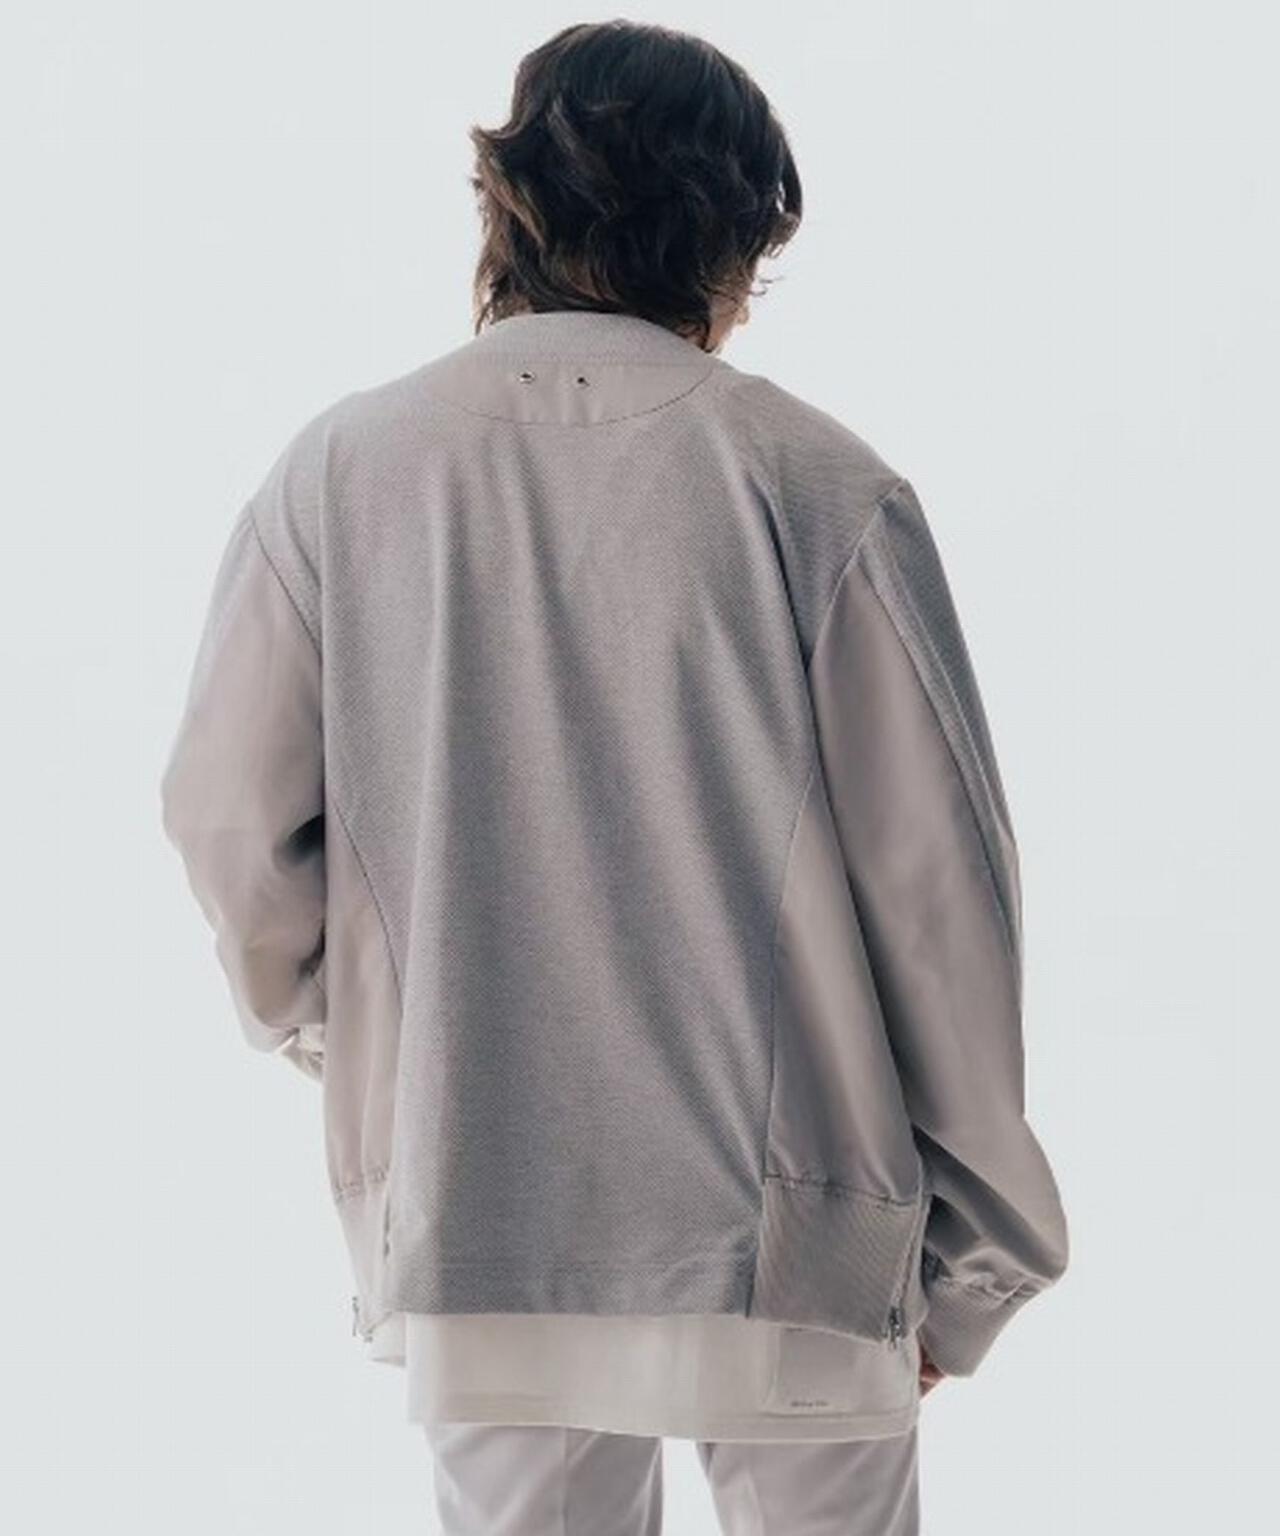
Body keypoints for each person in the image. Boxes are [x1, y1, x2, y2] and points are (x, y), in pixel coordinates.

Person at [160, 18, 1069, 1535]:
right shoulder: (820, 484)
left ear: (507, 203)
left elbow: (227, 824)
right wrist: (970, 1271)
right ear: (734, 239)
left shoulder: (340, 474)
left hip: (479, 1214)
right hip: (800, 1235)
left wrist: (366, 1034)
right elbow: (938, 902)